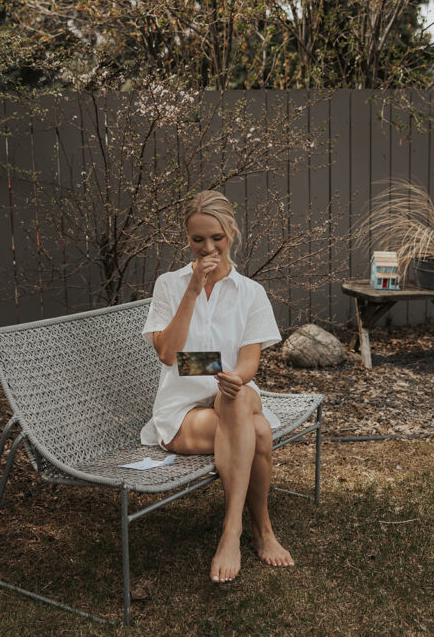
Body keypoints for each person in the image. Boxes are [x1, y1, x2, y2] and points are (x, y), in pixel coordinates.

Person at [141, 189, 294, 584]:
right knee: (258, 431)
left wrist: (234, 378)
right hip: (184, 411)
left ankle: (233, 532)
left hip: (236, 394)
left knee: (240, 396)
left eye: (217, 238)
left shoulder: (251, 293)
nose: (208, 247)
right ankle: (257, 530)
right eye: (197, 239)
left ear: (231, 233)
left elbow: (249, 362)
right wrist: (192, 289)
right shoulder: (169, 285)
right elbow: (168, 357)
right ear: (187, 240)